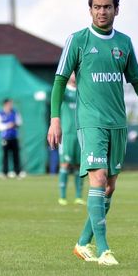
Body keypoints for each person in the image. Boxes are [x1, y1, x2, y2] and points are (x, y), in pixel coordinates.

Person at [47, 0, 138, 266]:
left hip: (117, 124)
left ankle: (82, 242)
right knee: (97, 179)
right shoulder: (78, 40)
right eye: (97, 7)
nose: (102, 12)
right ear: (90, 10)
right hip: (90, 123)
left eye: (107, 7)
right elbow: (60, 80)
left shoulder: (124, 43)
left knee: (109, 188)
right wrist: (55, 118)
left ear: (116, 10)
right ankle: (104, 250)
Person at [57, 73, 85, 206]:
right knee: (65, 164)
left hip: (81, 133)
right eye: (72, 73)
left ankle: (78, 197)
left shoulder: (82, 91)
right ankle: (62, 196)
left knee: (79, 165)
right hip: (67, 134)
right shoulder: (64, 91)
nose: (74, 75)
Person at [0, 98, 23, 178]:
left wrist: (15, 124)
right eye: (9, 104)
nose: (11, 105)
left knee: (16, 155)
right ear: (5, 104)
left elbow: (19, 122)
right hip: (5, 138)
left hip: (14, 137)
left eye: (11, 104)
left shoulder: (15, 112)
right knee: (5, 156)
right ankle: (5, 173)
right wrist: (7, 126)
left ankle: (17, 172)